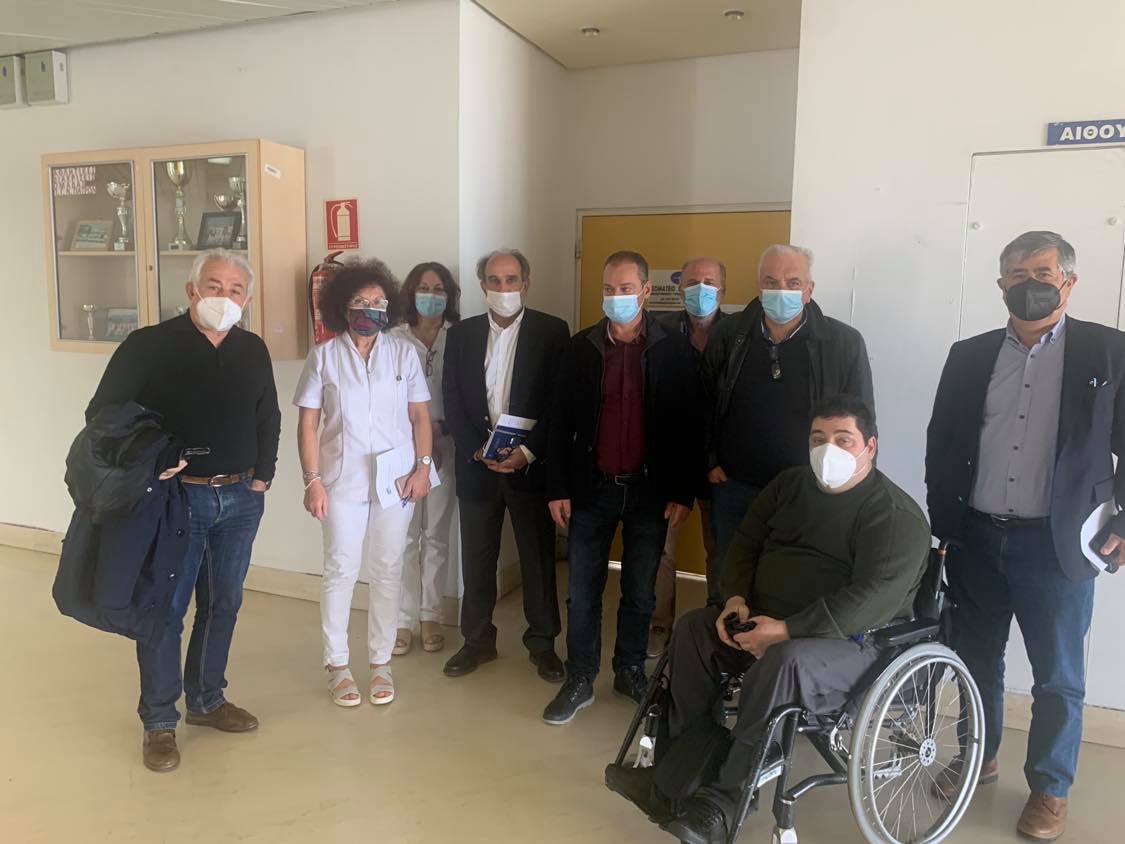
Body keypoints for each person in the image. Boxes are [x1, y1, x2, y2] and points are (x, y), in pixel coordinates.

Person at [607, 394, 930, 842]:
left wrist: (786, 630)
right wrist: (735, 600)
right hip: (766, 620)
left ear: (870, 446)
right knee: (694, 630)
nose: (828, 449)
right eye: (818, 438)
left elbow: (869, 601)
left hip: (854, 644)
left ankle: (724, 804)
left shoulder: (896, 516)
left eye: (843, 439)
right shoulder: (789, 486)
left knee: (784, 663)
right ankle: (677, 775)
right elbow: (744, 545)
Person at [926, 230, 1125, 841]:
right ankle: (979, 758)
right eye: (1017, 274)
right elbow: (943, 440)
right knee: (975, 660)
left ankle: (1050, 789)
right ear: (1001, 285)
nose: (1029, 284)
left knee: (1058, 676)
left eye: (1043, 273)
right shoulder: (969, 354)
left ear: (1069, 281)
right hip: (977, 537)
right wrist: (943, 523)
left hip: (1058, 545)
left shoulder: (1109, 351)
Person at [85, 248, 280, 773]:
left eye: (235, 290)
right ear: (192, 290)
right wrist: (160, 454)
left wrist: (263, 474)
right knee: (165, 609)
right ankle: (159, 722)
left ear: (247, 299)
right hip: (176, 500)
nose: (224, 297)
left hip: (240, 498)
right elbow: (104, 414)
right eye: (214, 286)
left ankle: (207, 700)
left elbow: (268, 414)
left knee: (223, 603)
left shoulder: (252, 349)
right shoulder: (148, 345)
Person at [543, 250, 699, 725]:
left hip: (650, 494)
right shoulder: (581, 348)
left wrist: (682, 491)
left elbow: (689, 425)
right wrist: (557, 486)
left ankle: (629, 670)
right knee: (582, 593)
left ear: (646, 291)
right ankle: (580, 676)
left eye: (626, 289)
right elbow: (558, 421)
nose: (617, 298)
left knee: (639, 591)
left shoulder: (673, 349)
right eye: (609, 290)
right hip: (591, 490)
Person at [294, 259, 433, 708]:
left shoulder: (403, 353)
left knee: (389, 569)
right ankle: (337, 665)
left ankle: (380, 662)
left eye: (378, 301)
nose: (370, 308)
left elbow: (419, 417)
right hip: (340, 481)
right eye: (360, 301)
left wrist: (423, 467)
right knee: (341, 570)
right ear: (342, 306)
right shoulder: (325, 356)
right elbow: (308, 424)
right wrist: (313, 481)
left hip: (398, 481)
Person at [702, 244, 874, 601]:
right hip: (736, 486)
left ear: (809, 290)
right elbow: (702, 402)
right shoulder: (730, 335)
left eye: (793, 282)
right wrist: (710, 460)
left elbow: (861, 420)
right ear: (758, 285)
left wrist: (851, 483)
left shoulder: (843, 343)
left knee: (795, 585)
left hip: (809, 489)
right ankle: (722, 636)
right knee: (729, 578)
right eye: (771, 281)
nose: (781, 290)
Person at [441, 248, 570, 682]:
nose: (503, 288)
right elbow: (452, 399)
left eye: (511, 279)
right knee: (477, 561)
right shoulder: (462, 334)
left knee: (537, 560)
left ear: (525, 283)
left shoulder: (552, 332)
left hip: (530, 467)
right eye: (494, 280)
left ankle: (543, 644)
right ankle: (477, 642)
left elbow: (559, 404)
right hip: (477, 468)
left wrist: (527, 451)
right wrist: (477, 450)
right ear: (483, 286)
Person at [649, 257, 727, 658]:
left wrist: (717, 458)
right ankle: (658, 626)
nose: (701, 289)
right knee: (662, 550)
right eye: (693, 281)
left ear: (723, 289)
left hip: (720, 466)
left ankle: (717, 630)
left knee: (721, 551)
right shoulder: (659, 330)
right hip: (671, 462)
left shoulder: (738, 334)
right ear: (680, 287)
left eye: (709, 281)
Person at [389, 261, 461, 656]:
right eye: (423, 287)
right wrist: (418, 442)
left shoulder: (459, 337)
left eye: (438, 289)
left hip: (446, 446)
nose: (431, 296)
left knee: (436, 534)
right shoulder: (393, 339)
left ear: (448, 296)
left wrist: (438, 436)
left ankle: (430, 613)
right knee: (403, 535)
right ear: (410, 293)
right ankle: (402, 619)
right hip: (403, 450)